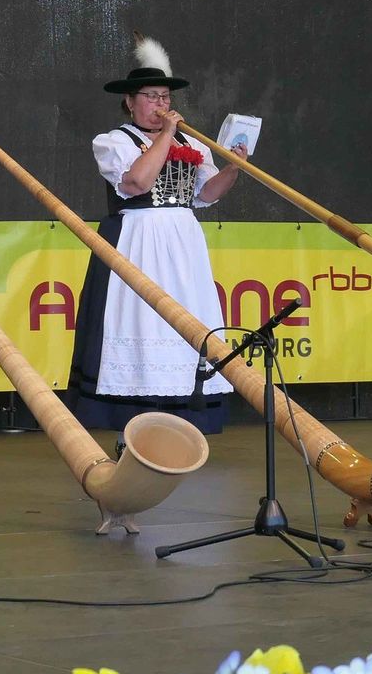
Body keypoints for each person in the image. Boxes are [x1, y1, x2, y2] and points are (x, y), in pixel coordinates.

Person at [67, 35, 246, 435]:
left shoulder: (192, 143)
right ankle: (131, 423)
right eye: (150, 97)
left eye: (164, 97)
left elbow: (206, 194)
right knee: (138, 320)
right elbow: (136, 182)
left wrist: (234, 168)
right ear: (130, 102)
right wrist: (166, 135)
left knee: (187, 320)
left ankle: (183, 421)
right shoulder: (114, 141)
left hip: (183, 242)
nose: (160, 104)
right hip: (138, 239)